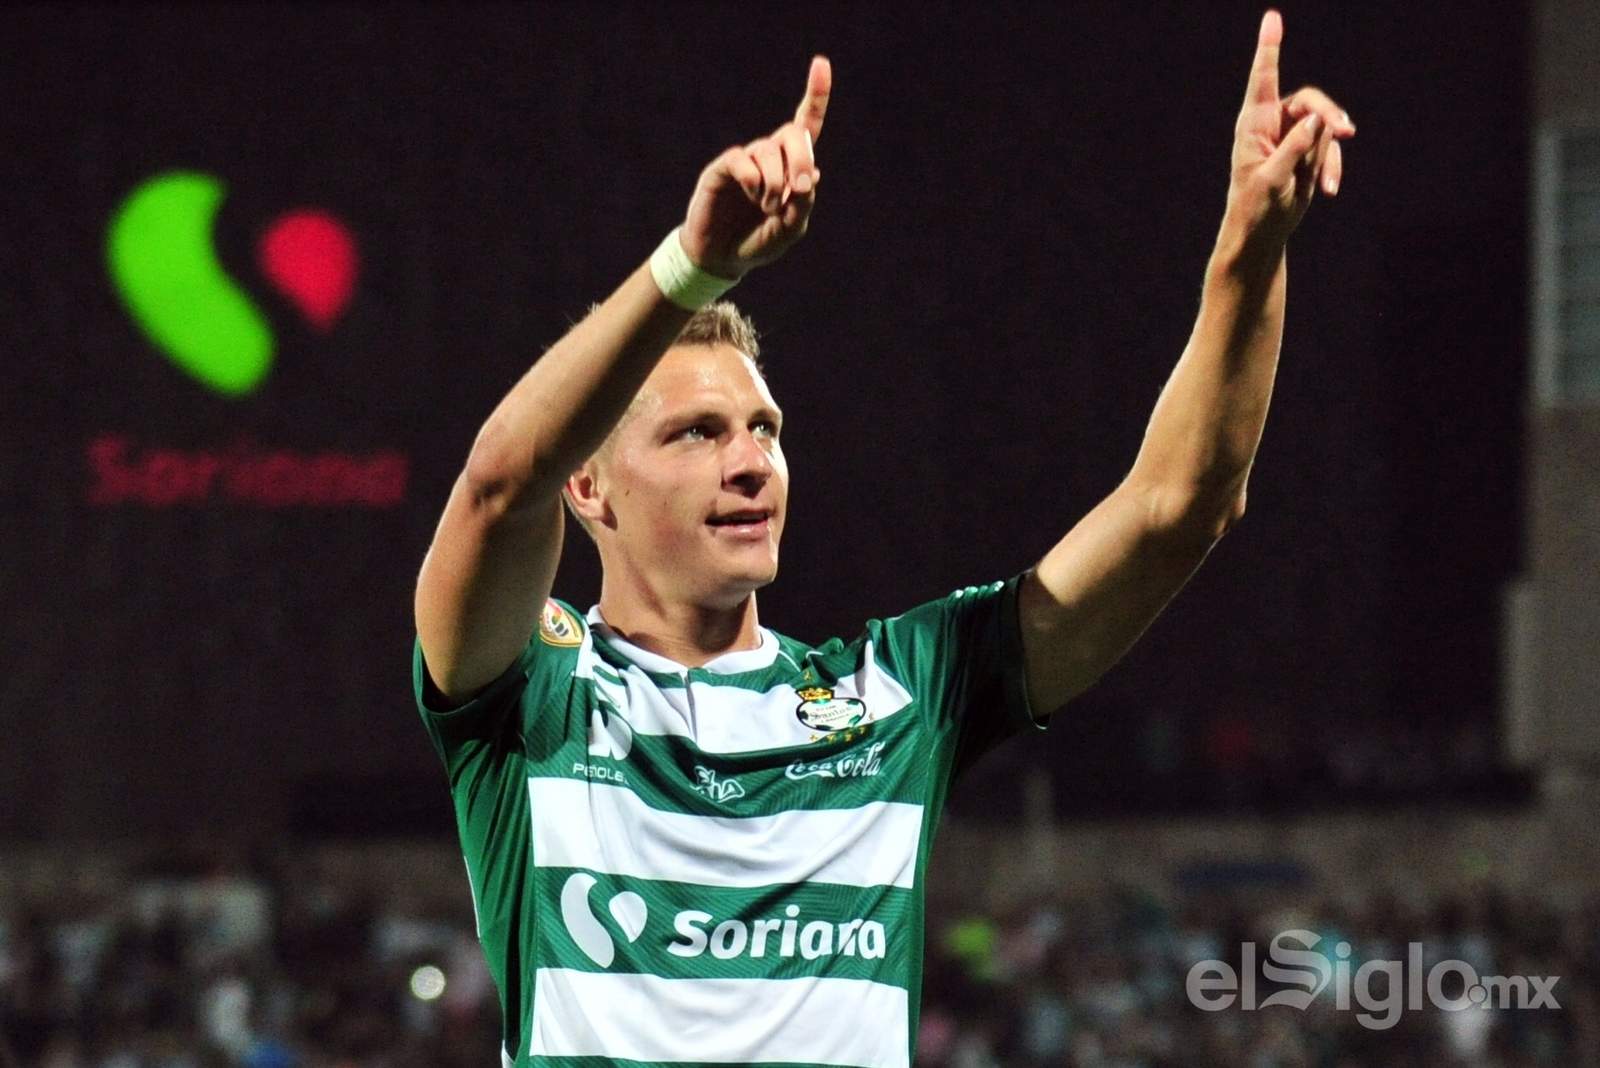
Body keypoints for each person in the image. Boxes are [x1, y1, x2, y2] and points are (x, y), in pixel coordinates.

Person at [412, 11, 1353, 1066]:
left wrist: (1248, 252)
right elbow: (500, 487)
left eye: (765, 430)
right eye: (696, 433)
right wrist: (690, 270)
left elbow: (1181, 506)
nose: (750, 462)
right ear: (588, 486)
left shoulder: (901, 693)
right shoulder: (532, 697)